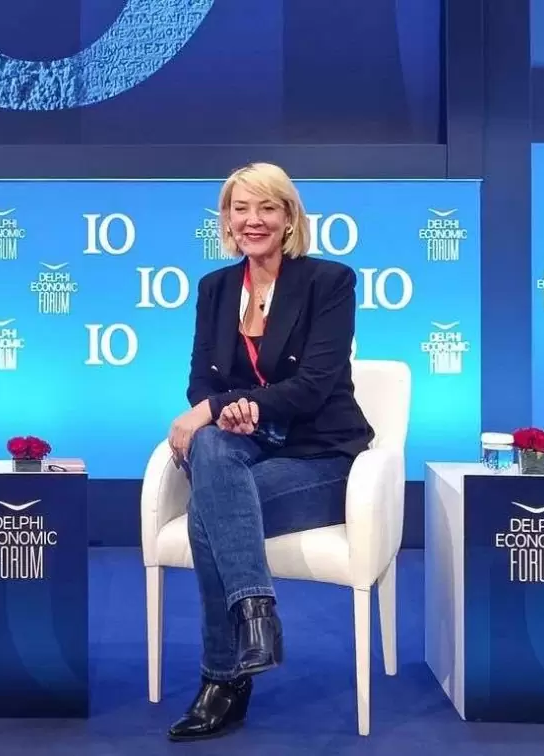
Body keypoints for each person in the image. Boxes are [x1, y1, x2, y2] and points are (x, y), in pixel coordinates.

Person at [164, 162, 375, 742]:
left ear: (288, 218)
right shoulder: (215, 288)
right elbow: (200, 381)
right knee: (212, 446)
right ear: (227, 220)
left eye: (267, 208)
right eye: (241, 209)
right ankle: (257, 616)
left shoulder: (329, 282)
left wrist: (219, 407)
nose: (252, 220)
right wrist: (218, 410)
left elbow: (313, 386)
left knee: (208, 512)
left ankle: (222, 680)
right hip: (244, 450)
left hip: (319, 456)